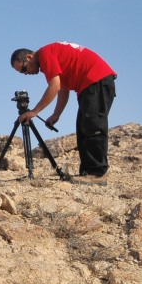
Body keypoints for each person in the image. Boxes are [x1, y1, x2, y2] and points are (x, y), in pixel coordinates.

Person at [10, 42, 117, 181]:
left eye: (24, 69)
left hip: (97, 80)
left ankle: (97, 174)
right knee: (84, 128)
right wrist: (56, 114)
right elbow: (62, 88)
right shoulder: (49, 57)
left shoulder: (45, 54)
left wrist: (34, 111)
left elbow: (54, 86)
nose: (26, 73)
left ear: (29, 57)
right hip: (91, 84)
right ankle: (87, 173)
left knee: (93, 126)